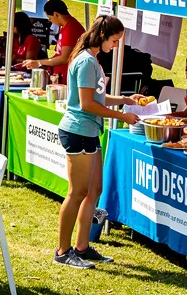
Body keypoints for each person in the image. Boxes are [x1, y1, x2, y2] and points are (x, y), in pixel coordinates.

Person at [54, 15, 139, 269]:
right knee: (77, 192)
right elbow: (87, 104)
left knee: (94, 191)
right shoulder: (86, 61)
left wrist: (124, 100)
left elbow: (97, 97)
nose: (115, 46)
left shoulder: (91, 60)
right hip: (78, 131)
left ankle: (82, 247)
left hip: (90, 132)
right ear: (102, 36)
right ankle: (62, 251)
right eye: (114, 41)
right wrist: (122, 115)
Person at [23, 0, 85, 83]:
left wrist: (39, 62)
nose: (51, 21)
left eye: (50, 18)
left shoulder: (70, 28)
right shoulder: (65, 27)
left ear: (56, 14)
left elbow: (65, 58)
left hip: (69, 78)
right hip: (62, 76)